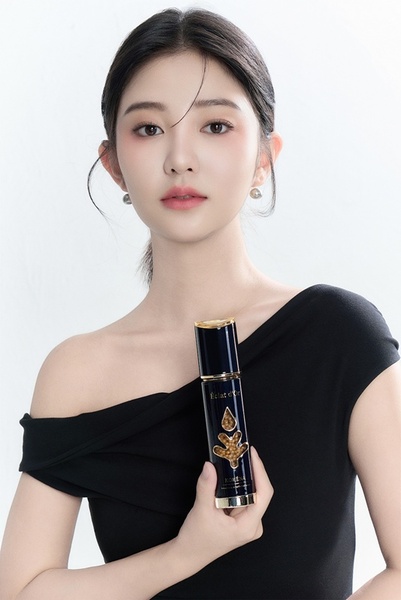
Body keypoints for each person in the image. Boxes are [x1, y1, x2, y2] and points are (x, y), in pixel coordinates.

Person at [0, 7, 400, 600]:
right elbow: (22, 592)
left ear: (265, 154)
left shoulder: (338, 336)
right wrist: (187, 553)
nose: (180, 158)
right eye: (148, 129)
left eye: (215, 125)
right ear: (113, 164)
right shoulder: (79, 372)